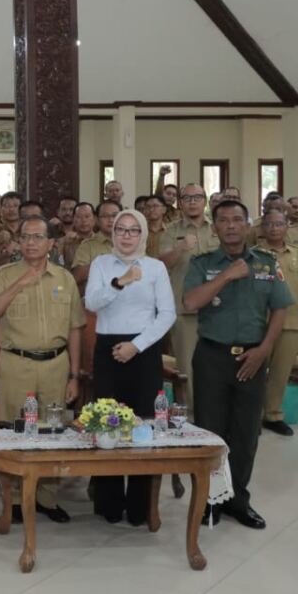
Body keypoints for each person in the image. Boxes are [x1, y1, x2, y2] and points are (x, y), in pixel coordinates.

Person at [183, 200, 291, 529]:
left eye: (237, 220)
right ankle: (209, 500)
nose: (230, 225)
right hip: (212, 357)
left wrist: (264, 350)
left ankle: (237, 500)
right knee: (211, 431)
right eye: (223, 220)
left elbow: (280, 308)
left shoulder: (267, 263)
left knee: (246, 433)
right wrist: (227, 276)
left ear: (247, 225)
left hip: (252, 358)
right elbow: (190, 302)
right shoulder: (202, 263)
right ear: (214, 227)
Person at [0, 215, 83, 523]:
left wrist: (74, 375)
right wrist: (19, 284)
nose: (30, 243)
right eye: (25, 237)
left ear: (51, 243)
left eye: (38, 237)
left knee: (53, 433)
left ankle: (47, 498)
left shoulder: (64, 278)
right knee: (15, 433)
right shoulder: (4, 275)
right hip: (17, 364)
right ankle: (13, 499)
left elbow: (75, 328)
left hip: (56, 365)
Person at [83, 209, 175, 525]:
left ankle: (140, 506)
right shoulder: (101, 264)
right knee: (106, 423)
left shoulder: (156, 267)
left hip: (144, 351)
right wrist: (120, 282)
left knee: (142, 426)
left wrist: (136, 345)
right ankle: (109, 502)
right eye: (120, 229)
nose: (126, 235)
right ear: (112, 233)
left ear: (143, 234)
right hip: (107, 349)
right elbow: (92, 303)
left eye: (133, 230)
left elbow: (167, 314)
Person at [254, 209, 298, 437]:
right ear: (263, 227)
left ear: (287, 226)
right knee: (255, 370)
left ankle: (273, 415)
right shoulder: (253, 255)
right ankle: (252, 416)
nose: (274, 228)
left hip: (291, 322)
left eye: (279, 224)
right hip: (260, 321)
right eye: (269, 224)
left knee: (281, 372)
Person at [158, 184, 219, 399]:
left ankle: (215, 410)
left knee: (217, 363)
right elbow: (162, 264)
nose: (192, 202)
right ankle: (193, 412)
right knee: (187, 365)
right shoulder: (171, 231)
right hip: (184, 308)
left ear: (205, 201)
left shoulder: (217, 228)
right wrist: (180, 247)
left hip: (217, 307)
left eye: (197, 197)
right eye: (187, 198)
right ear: (180, 203)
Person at [71, 200, 118, 292]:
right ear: (97, 219)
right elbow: (77, 276)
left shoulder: (131, 243)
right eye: (105, 216)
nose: (111, 220)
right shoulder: (87, 246)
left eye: (114, 215)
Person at [59, 202, 95, 269]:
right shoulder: (65, 242)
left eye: (87, 216)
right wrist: (61, 248)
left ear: (94, 219)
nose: (83, 220)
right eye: (78, 217)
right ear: (73, 219)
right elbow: (58, 265)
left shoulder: (101, 242)